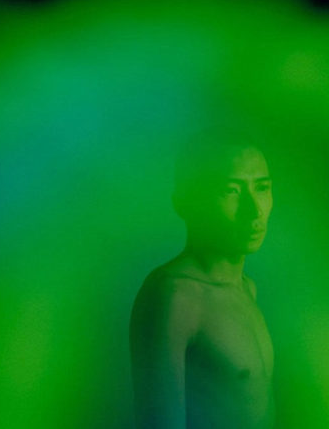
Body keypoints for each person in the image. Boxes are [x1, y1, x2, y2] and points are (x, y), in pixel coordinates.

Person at [129, 126, 275, 429]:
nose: (254, 211)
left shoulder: (247, 289)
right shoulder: (174, 295)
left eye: (262, 188)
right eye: (231, 191)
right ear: (188, 201)